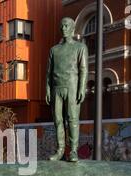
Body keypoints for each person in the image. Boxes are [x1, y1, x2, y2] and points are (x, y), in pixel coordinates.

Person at [46, 17, 88, 163]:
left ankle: (74, 151)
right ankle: (60, 150)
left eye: (66, 25)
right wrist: (47, 89)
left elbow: (83, 70)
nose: (63, 28)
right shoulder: (54, 50)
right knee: (58, 120)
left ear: (72, 28)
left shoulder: (80, 47)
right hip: (56, 88)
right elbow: (49, 73)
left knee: (72, 120)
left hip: (72, 87)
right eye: (62, 26)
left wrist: (82, 88)